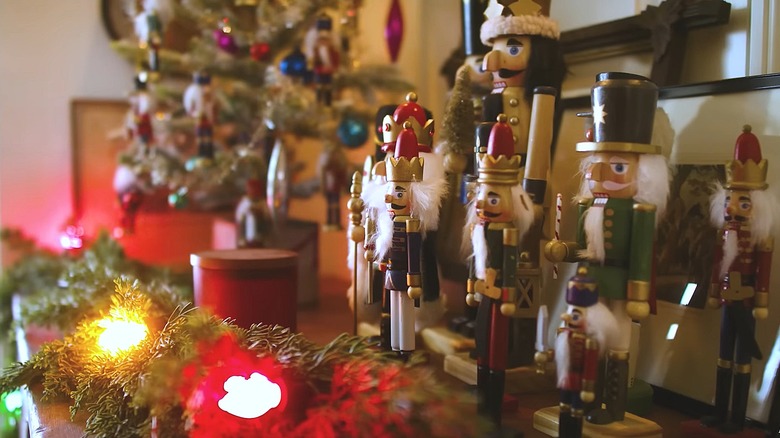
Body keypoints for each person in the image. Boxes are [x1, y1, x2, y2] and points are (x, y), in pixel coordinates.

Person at [544, 72, 671, 425]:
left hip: (620, 287)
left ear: (644, 173)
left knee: (618, 345)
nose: (603, 173)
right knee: (587, 344)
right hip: (588, 287)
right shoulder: (588, 206)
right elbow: (584, 247)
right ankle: (584, 400)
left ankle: (613, 408)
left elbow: (641, 256)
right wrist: (562, 250)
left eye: (618, 166)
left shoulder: (640, 212)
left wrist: (638, 294)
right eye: (601, 163)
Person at [701, 125, 776, 433]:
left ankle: (736, 417)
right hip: (728, 295)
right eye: (731, 200)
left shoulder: (761, 237)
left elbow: (764, 270)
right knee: (723, 356)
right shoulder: (725, 232)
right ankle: (720, 412)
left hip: (745, 297)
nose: (733, 208)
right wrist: (714, 291)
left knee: (743, 359)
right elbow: (718, 262)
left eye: (742, 202)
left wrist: (761, 300)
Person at [464, 114, 535, 428]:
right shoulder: (479, 229)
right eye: (482, 196)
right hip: (484, 296)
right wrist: (470, 287)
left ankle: (492, 410)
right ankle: (482, 406)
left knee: (496, 352)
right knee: (481, 347)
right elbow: (474, 259)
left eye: (492, 197)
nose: (484, 204)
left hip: (499, 299)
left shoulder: (508, 234)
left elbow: (509, 266)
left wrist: (507, 296)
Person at [370, 122, 446, 358]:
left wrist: (415, 280)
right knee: (393, 312)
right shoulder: (388, 224)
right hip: (392, 274)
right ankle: (394, 347)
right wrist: (382, 262)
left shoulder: (411, 226)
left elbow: (415, 254)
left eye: (400, 193)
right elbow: (386, 247)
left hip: (405, 278)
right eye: (392, 191)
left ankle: (406, 350)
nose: (393, 198)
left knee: (405, 315)